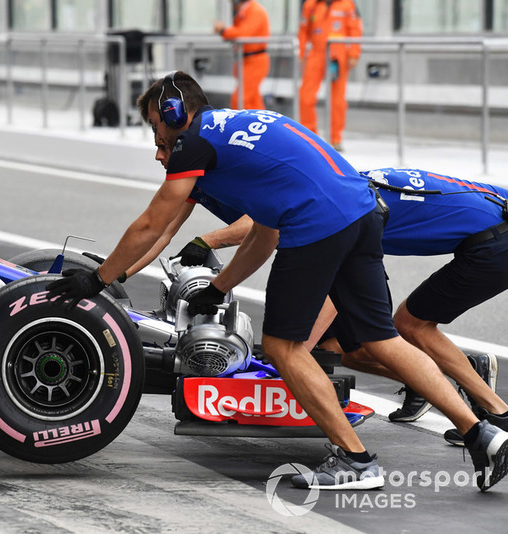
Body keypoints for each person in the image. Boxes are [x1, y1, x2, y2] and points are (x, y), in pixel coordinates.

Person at [46, 70, 508, 491]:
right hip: (363, 213)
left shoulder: (194, 142)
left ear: (173, 111)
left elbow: (152, 224)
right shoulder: (240, 130)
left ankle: (356, 462)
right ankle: (482, 434)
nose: (156, 138)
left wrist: (98, 281)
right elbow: (261, 232)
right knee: (382, 338)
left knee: (286, 348)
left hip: (320, 225)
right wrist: (218, 287)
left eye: (155, 124)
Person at [314, 168, 508, 447]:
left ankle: (494, 409)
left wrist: (293, 347)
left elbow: (334, 279)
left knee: (409, 326)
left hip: (494, 244)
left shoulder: (340, 208)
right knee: (375, 339)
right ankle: (441, 381)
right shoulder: (358, 181)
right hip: (492, 232)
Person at [298, 0, 362, 151]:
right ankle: (309, 137)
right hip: (316, 53)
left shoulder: (347, 5)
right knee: (306, 96)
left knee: (337, 100)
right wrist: (301, 53)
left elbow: (355, 30)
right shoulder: (310, 5)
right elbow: (303, 30)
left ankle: (336, 139)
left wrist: (354, 53)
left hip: (338, 55)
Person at [213, 0, 270, 110]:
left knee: (241, 100)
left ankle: (245, 126)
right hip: (246, 60)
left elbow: (243, 33)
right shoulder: (245, 11)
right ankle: (263, 125)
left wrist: (224, 31)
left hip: (255, 60)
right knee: (253, 101)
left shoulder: (255, 11)